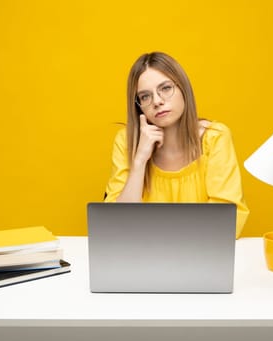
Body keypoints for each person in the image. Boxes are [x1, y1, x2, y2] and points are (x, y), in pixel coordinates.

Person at [104, 52, 249, 237]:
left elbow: (227, 220)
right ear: (139, 105)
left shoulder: (215, 138)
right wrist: (139, 161)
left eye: (165, 88)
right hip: (142, 255)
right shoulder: (126, 141)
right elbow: (117, 225)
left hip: (199, 253)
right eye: (145, 96)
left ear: (183, 89)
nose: (157, 101)